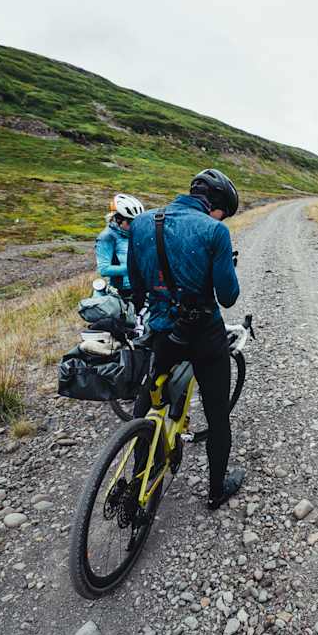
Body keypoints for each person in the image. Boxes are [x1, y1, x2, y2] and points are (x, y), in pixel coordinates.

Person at [126, 169, 244, 509]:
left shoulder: (141, 224)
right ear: (216, 205)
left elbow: (137, 286)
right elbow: (228, 296)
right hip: (204, 335)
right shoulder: (214, 230)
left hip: (163, 332)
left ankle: (138, 476)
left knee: (149, 400)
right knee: (217, 414)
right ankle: (216, 490)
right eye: (223, 213)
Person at [94, 193, 145, 298]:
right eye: (130, 222)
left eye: (138, 221)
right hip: (122, 291)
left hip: (142, 286)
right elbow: (103, 269)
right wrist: (132, 268)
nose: (135, 225)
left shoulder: (135, 233)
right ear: (118, 219)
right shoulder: (107, 237)